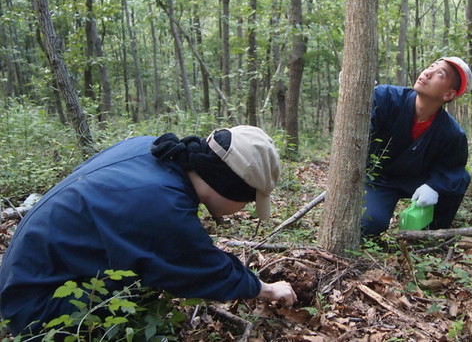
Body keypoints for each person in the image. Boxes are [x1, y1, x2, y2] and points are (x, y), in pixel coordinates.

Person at [0, 125, 297, 337]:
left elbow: (185, 248)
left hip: (26, 278)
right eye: (247, 201)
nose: (244, 209)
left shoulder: (151, 150)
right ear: (230, 186)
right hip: (36, 309)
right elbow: (202, 269)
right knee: (145, 285)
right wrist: (266, 289)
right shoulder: (161, 205)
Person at [361, 57, 472, 236]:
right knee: (368, 225)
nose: (427, 73)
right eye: (431, 66)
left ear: (448, 95)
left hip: (418, 182)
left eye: (439, 74)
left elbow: (455, 172)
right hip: (378, 180)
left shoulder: (452, 134)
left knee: (459, 181)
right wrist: (354, 95)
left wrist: (434, 186)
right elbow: (358, 131)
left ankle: (432, 232)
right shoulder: (385, 97)